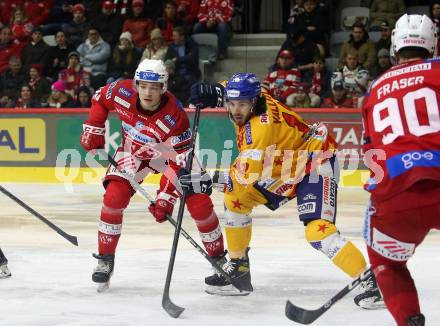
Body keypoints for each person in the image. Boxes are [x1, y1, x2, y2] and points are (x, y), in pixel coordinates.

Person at [188, 73, 384, 309]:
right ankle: (238, 269)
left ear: (253, 102)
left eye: (242, 105)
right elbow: (231, 88)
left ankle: (370, 281)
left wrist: (204, 180)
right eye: (231, 103)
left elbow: (242, 178)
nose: (236, 110)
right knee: (236, 201)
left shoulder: (259, 131)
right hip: (282, 168)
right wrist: (212, 91)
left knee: (318, 232)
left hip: (315, 162)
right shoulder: (254, 95)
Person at [79, 59, 226, 290]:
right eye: (144, 86)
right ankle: (105, 259)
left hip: (172, 158)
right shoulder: (121, 91)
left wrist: (166, 197)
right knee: (113, 198)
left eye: (154, 87)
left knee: (199, 203)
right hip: (134, 151)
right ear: (136, 84)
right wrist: (94, 126)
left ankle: (219, 259)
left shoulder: (176, 117)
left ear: (163, 88)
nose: (148, 92)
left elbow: (179, 162)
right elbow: (99, 98)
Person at [361, 14, 440, 326]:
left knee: (386, 263)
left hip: (394, 197)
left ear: (394, 47)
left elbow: (371, 154)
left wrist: (378, 203)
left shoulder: (372, 91)